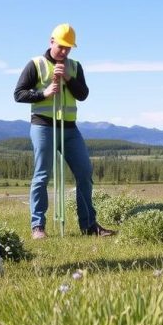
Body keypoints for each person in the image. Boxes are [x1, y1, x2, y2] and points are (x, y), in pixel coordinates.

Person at [14, 23, 115, 239]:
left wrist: (68, 79)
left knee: (85, 172)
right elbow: (19, 94)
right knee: (42, 175)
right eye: (61, 46)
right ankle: (38, 226)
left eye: (69, 48)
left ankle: (89, 226)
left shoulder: (75, 66)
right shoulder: (36, 64)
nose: (64, 51)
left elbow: (83, 94)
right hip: (43, 125)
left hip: (70, 128)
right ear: (51, 42)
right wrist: (44, 93)